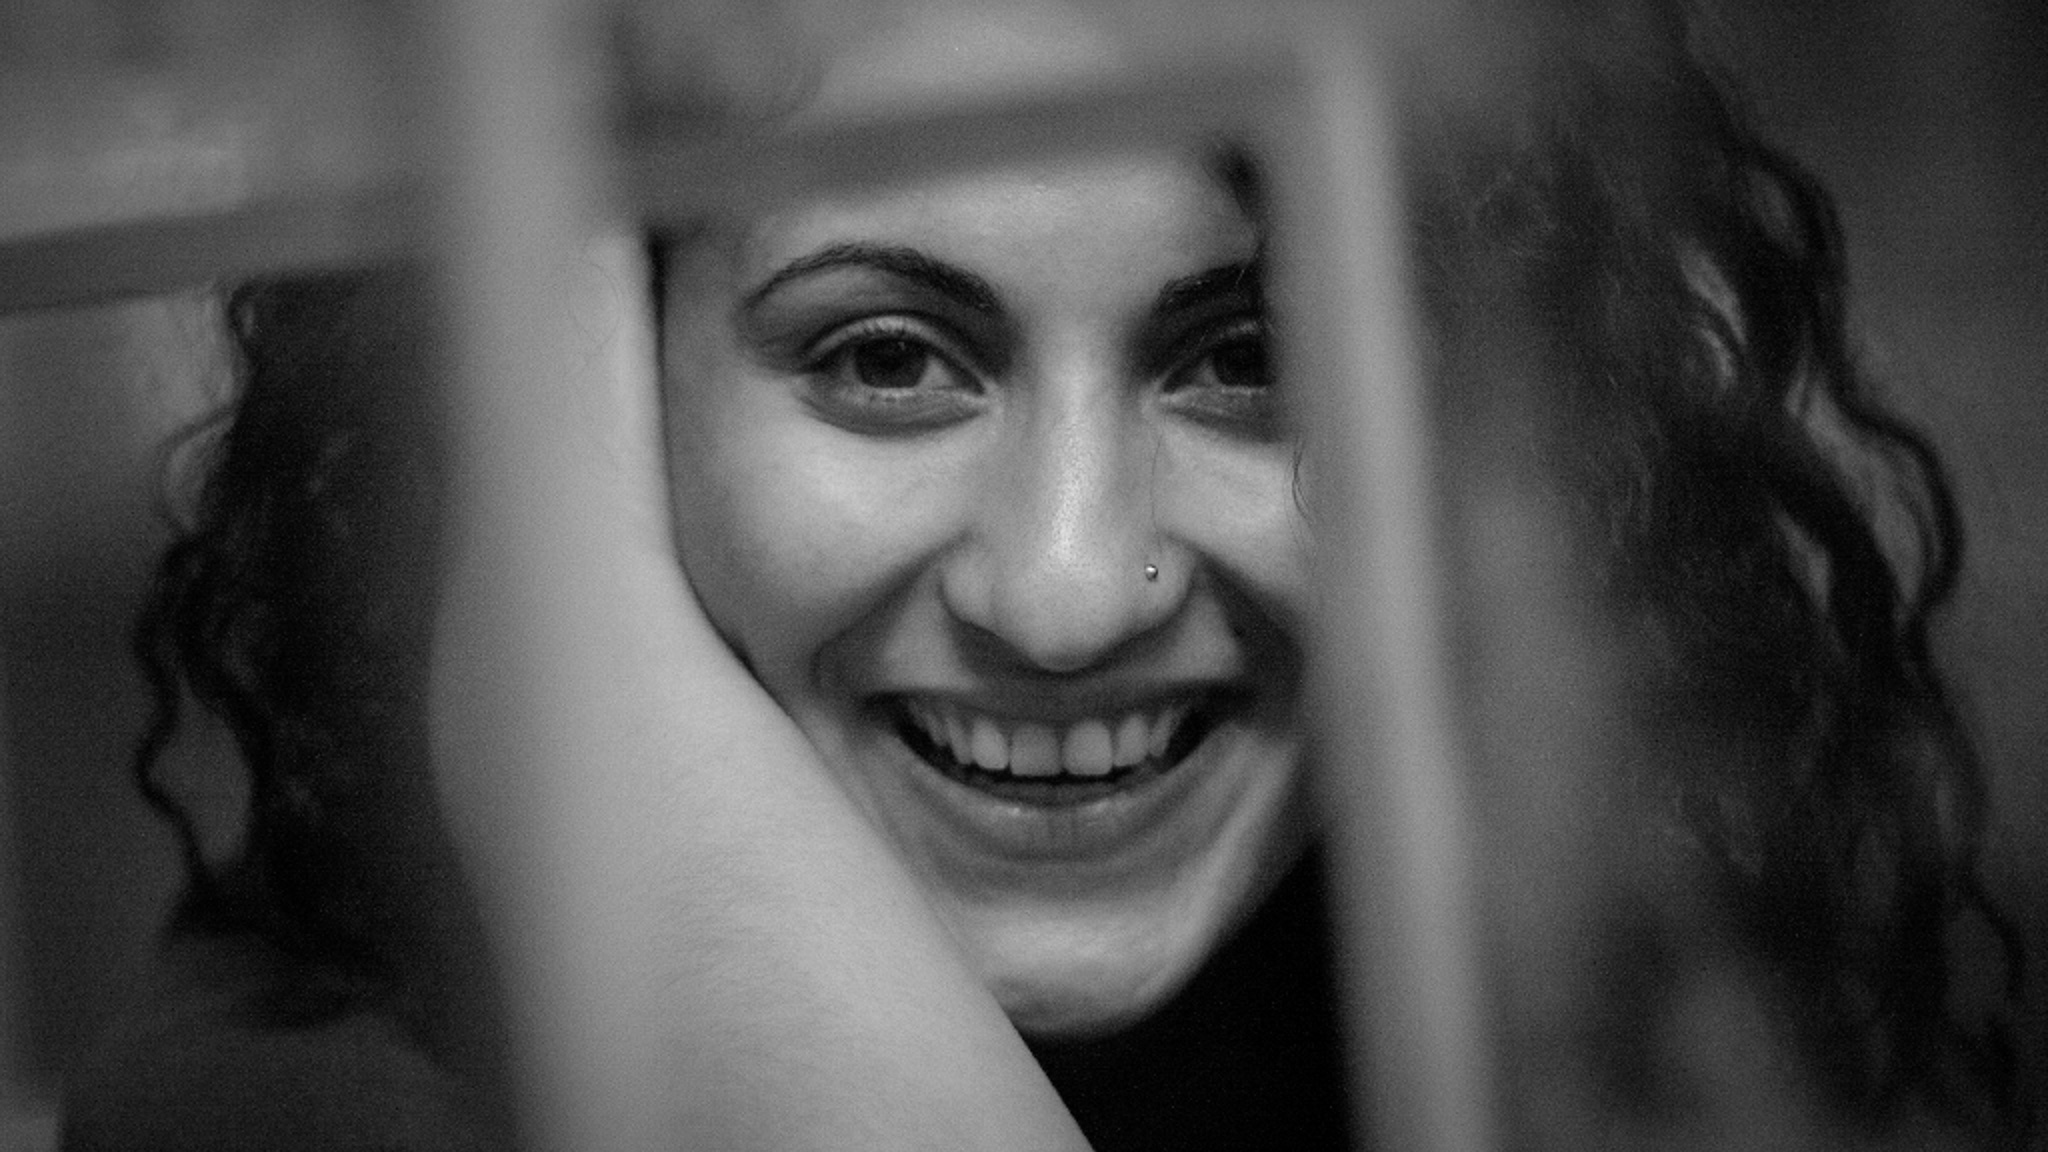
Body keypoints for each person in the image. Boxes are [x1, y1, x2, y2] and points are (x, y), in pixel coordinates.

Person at [62, 0, 2027, 1148]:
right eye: (883, 359)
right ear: (587, 384)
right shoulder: (290, 1109)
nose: (1069, 593)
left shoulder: (1644, 987)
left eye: (1252, 358)